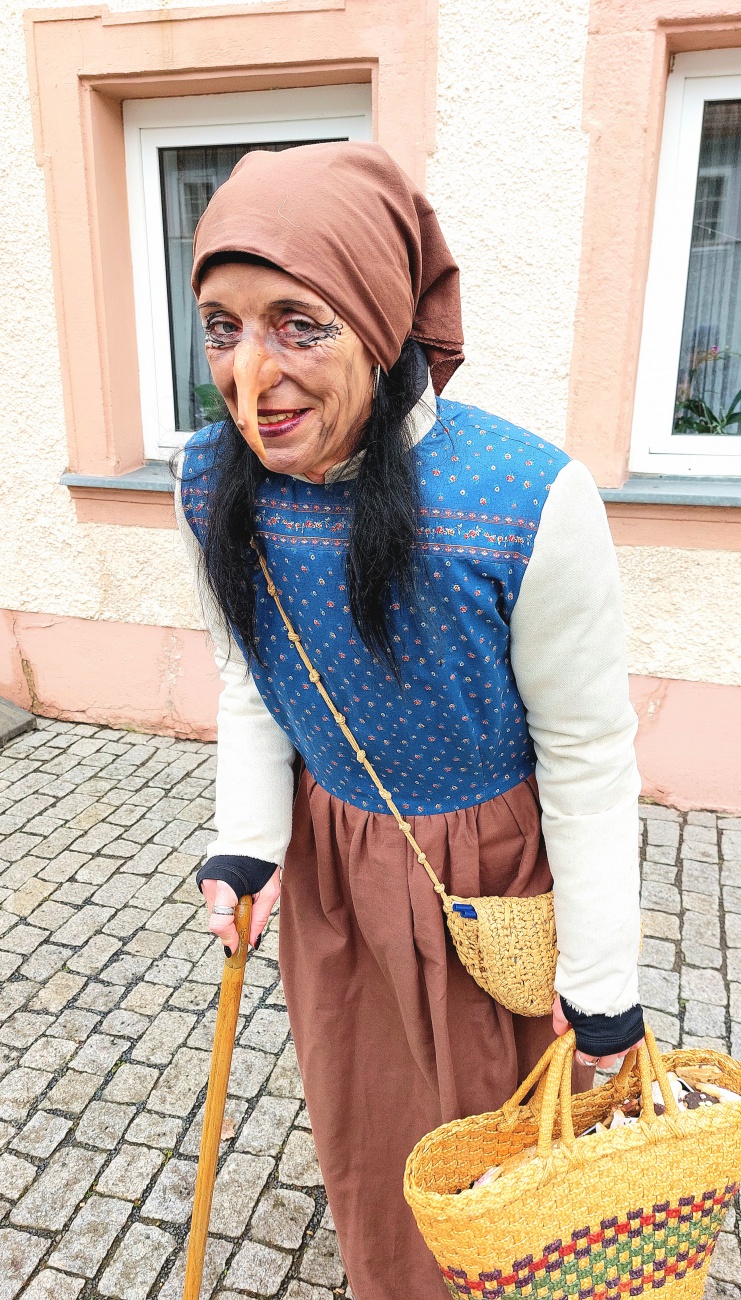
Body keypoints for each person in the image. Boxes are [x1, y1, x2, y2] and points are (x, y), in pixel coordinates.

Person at [176, 141, 644, 1299]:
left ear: (383, 322)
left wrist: (602, 993)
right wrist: (250, 836)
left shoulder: (524, 500)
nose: (253, 379)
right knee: (370, 1134)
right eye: (223, 326)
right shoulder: (208, 481)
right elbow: (254, 673)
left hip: (488, 889)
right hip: (333, 875)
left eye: (300, 324)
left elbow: (589, 757)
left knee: (511, 1173)